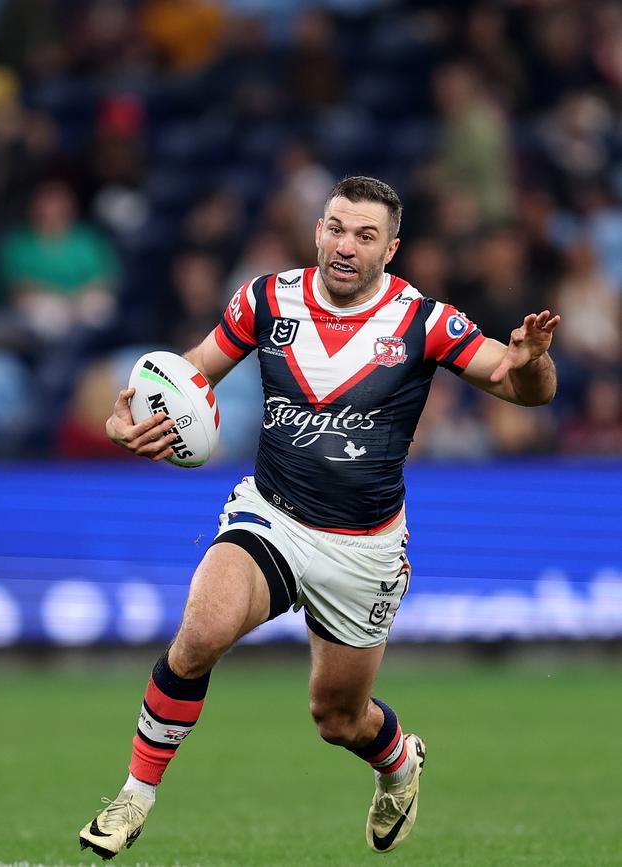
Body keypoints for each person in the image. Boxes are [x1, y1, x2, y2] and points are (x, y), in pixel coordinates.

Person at [79, 177, 560, 859]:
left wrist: (536, 363)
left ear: (390, 249)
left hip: (363, 548)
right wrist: (139, 416)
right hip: (273, 515)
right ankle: (135, 792)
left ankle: (397, 762)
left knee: (337, 719)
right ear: (317, 231)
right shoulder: (267, 299)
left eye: (365, 235)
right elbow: (191, 373)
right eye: (336, 227)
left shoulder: (422, 320)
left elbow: (519, 383)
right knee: (200, 631)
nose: (345, 244)